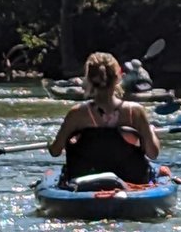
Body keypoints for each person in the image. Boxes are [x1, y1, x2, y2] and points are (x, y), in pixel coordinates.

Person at [48, 52, 161, 185]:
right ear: (118, 78)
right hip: (132, 181)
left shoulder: (77, 114)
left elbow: (55, 151)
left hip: (83, 182)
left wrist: (49, 143)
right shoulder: (135, 112)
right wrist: (150, 131)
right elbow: (153, 153)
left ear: (89, 80)